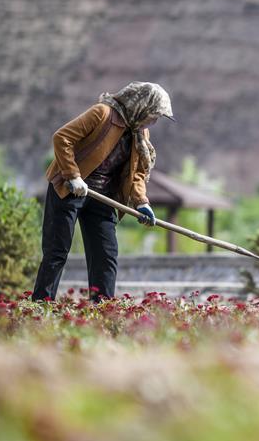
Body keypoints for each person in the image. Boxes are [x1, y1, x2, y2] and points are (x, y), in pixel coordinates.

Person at [31, 82, 176, 302]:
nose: (153, 122)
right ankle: (41, 304)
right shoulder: (103, 113)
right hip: (71, 188)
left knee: (106, 255)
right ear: (141, 107)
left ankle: (103, 309)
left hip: (104, 196)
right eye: (153, 115)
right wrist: (73, 175)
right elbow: (62, 138)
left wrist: (141, 202)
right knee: (57, 251)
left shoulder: (140, 133)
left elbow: (136, 173)